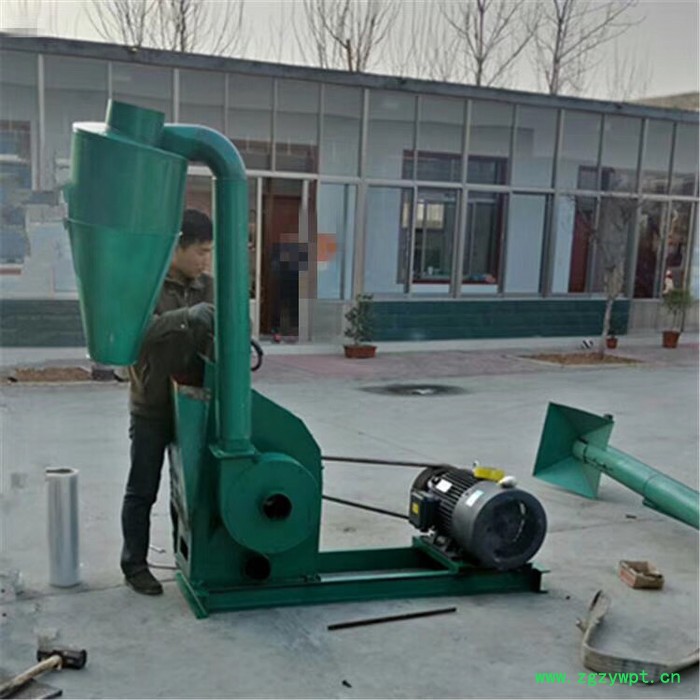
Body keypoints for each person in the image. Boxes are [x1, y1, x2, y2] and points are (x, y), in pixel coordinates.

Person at [121, 209, 214, 595]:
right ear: (177, 248)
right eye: (200, 252)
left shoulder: (209, 287)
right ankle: (134, 565)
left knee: (187, 490)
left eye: (209, 252)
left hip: (191, 405)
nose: (205, 260)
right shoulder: (147, 284)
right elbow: (136, 333)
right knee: (143, 488)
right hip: (152, 404)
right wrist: (186, 317)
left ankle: (185, 556)